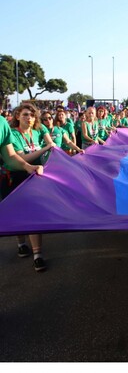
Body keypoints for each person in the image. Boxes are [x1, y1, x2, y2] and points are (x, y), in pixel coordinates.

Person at [1, 104, 54, 272]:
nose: (29, 118)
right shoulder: (14, 133)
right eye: (25, 114)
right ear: (17, 116)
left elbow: (12, 156)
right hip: (13, 178)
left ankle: (37, 255)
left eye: (31, 115)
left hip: (33, 176)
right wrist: (45, 149)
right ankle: (21, 243)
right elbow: (18, 157)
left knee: (33, 213)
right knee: (18, 213)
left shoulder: (4, 124)